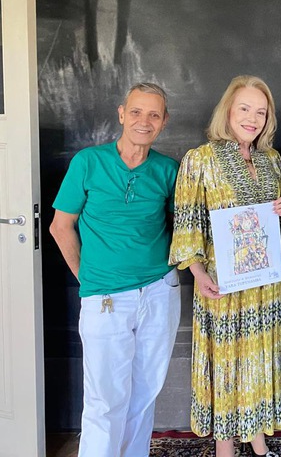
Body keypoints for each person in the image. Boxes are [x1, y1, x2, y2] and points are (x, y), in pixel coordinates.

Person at [49, 82, 181, 457]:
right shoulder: (88, 163)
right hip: (104, 296)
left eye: (154, 114)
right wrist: (88, 277)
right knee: (105, 400)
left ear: (164, 122)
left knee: (144, 393)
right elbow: (61, 226)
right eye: (136, 112)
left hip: (159, 291)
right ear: (122, 114)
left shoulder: (168, 170)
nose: (144, 121)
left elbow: (184, 228)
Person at [169, 76, 281, 457]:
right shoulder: (199, 160)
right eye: (245, 108)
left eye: (260, 111)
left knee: (260, 362)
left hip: (267, 284)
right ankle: (225, 447)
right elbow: (186, 222)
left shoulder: (270, 160)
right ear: (227, 110)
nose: (252, 118)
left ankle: (257, 440)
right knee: (228, 367)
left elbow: (277, 223)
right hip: (222, 286)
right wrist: (197, 272)